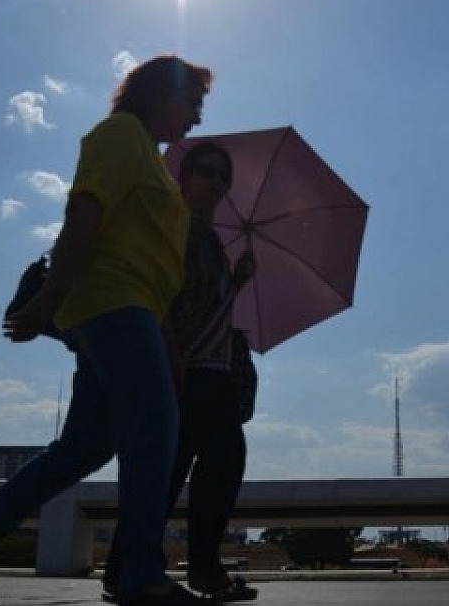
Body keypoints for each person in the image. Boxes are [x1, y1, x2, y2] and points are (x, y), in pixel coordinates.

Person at [0, 54, 217, 606]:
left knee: (86, 446)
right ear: (161, 94)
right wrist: (48, 299)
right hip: (112, 305)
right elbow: (84, 216)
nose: (197, 118)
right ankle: (140, 572)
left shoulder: (151, 162)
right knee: (154, 430)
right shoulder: (118, 135)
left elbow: (147, 259)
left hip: (133, 310)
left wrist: (166, 340)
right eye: (193, 102)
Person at [105, 142, 258, 603]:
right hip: (185, 364)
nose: (216, 182)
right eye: (206, 172)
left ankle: (126, 567)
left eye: (223, 176)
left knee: (177, 466)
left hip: (210, 367)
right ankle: (199, 569)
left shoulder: (211, 240)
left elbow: (205, 301)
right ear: (185, 176)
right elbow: (161, 292)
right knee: (214, 460)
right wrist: (167, 350)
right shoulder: (177, 229)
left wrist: (236, 282)